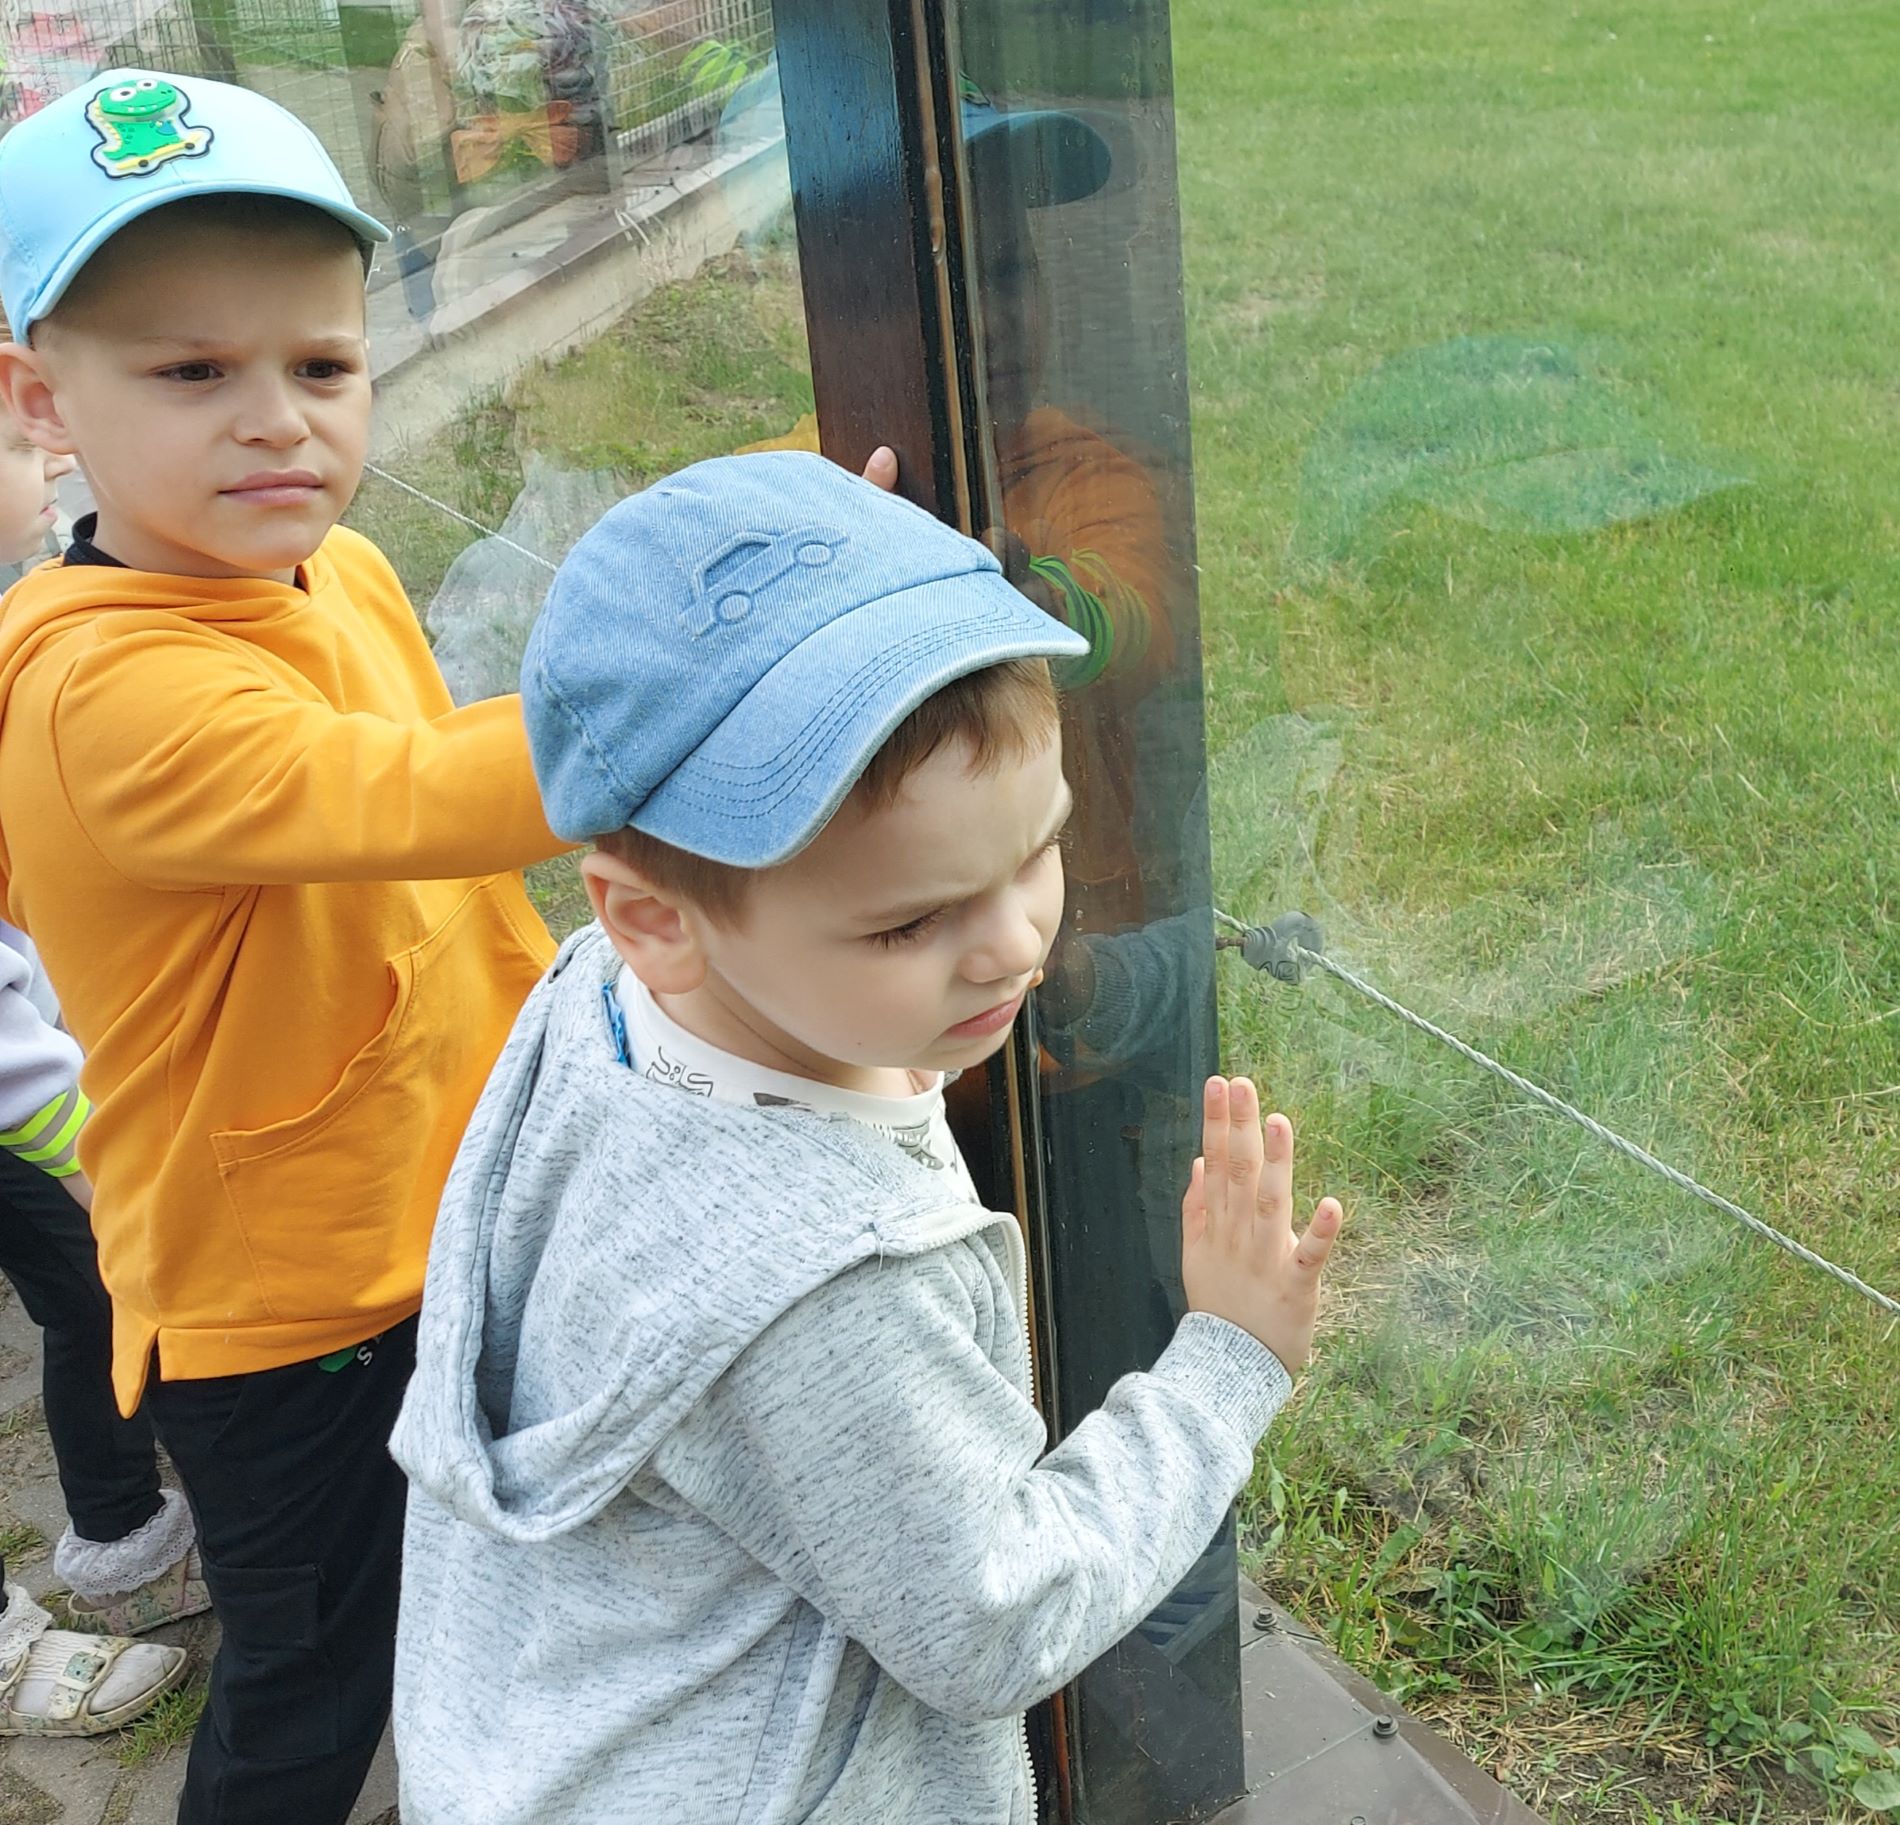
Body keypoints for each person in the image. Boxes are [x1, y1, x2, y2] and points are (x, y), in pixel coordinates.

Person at [389, 451, 1344, 1822]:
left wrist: (846, 589)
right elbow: (997, 1615)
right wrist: (1228, 1364)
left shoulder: (604, 999)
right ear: (656, 918)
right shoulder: (826, 1296)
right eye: (911, 922)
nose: (1017, 941)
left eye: (1039, 847)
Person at [0, 69, 570, 1820]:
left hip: (440, 1206)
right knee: (316, 1675)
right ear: (41, 399)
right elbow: (422, 794)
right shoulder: (101, 689)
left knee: (469, 1594)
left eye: (322, 366)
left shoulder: (343, 569)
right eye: (194, 373)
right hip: (288, 1313)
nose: (278, 424)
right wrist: (756, 637)